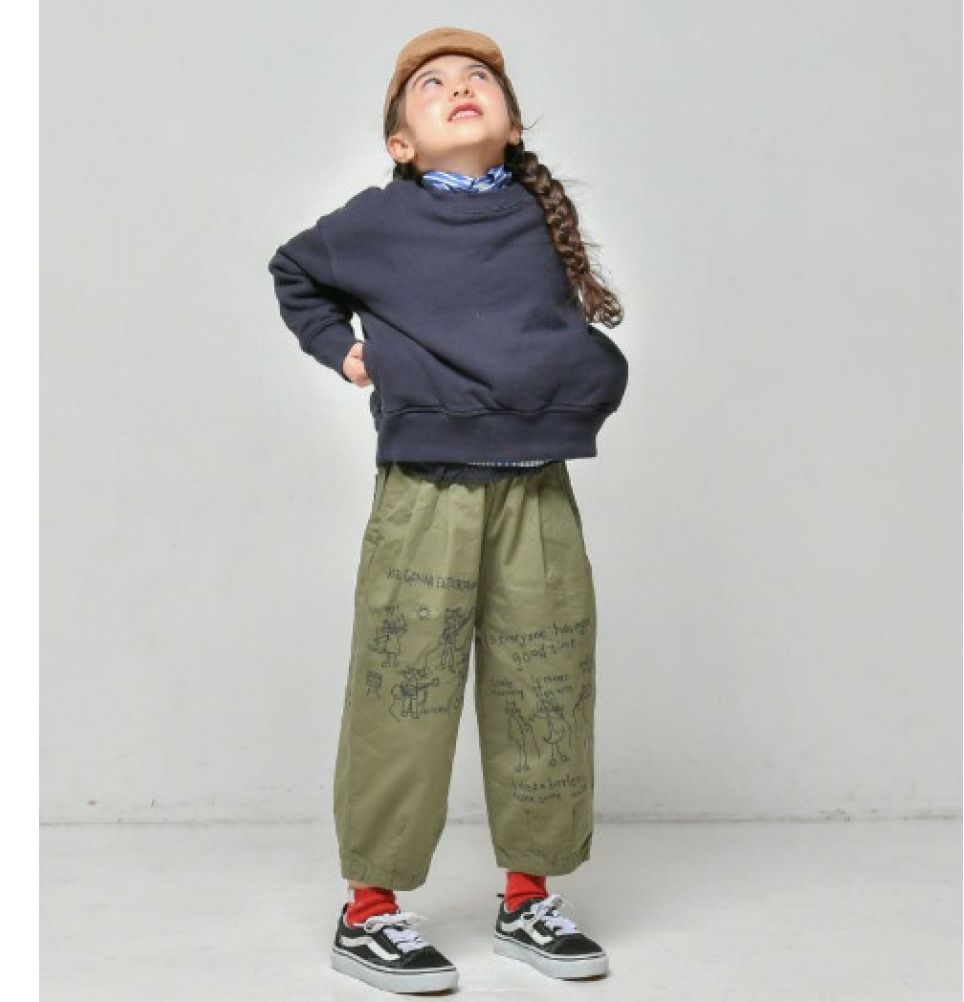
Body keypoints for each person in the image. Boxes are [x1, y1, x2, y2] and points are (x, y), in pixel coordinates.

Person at [267, 26, 629, 995]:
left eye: (479, 80)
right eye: (432, 84)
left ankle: (529, 896)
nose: (460, 87)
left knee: (546, 686)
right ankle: (368, 910)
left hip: (537, 491)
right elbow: (295, 270)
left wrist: (587, 382)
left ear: (511, 125)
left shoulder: (535, 215)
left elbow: (538, 335)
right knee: (405, 693)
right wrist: (346, 352)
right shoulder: (378, 221)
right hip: (427, 491)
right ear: (402, 142)